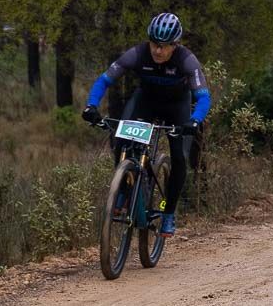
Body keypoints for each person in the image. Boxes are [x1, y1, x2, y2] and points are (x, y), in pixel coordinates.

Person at [81, 13, 211, 236]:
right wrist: (91, 106)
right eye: (154, 44)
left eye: (163, 46)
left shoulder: (186, 60)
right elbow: (105, 80)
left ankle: (168, 213)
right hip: (146, 101)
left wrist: (194, 120)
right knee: (121, 139)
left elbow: (204, 97)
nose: (157, 51)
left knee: (179, 156)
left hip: (177, 106)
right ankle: (122, 190)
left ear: (175, 45)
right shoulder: (137, 54)